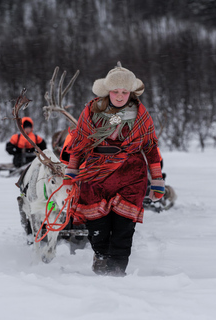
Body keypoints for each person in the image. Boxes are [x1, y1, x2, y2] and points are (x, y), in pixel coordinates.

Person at [62, 62, 164, 276]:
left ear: (131, 92)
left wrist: (157, 180)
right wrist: (71, 172)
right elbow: (79, 142)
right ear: (107, 91)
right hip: (95, 175)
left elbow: (150, 147)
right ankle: (101, 257)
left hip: (131, 175)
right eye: (115, 91)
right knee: (98, 227)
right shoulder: (91, 111)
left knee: (123, 229)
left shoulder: (141, 115)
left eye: (124, 92)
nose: (119, 96)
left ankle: (117, 272)